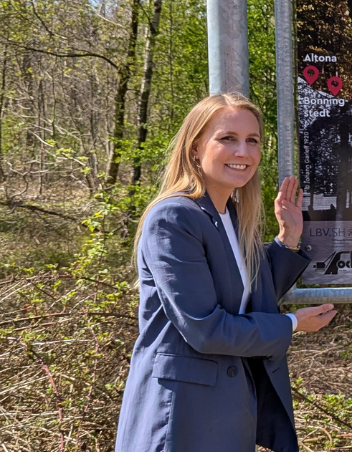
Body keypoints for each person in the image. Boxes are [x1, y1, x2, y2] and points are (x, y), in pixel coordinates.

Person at [116, 93, 338, 452]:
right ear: (194, 148)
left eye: (252, 141)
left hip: (228, 413)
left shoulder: (232, 216)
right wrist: (292, 324)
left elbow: (248, 294)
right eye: (227, 138)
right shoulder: (174, 218)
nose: (243, 152)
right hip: (181, 416)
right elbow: (205, 328)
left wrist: (288, 238)